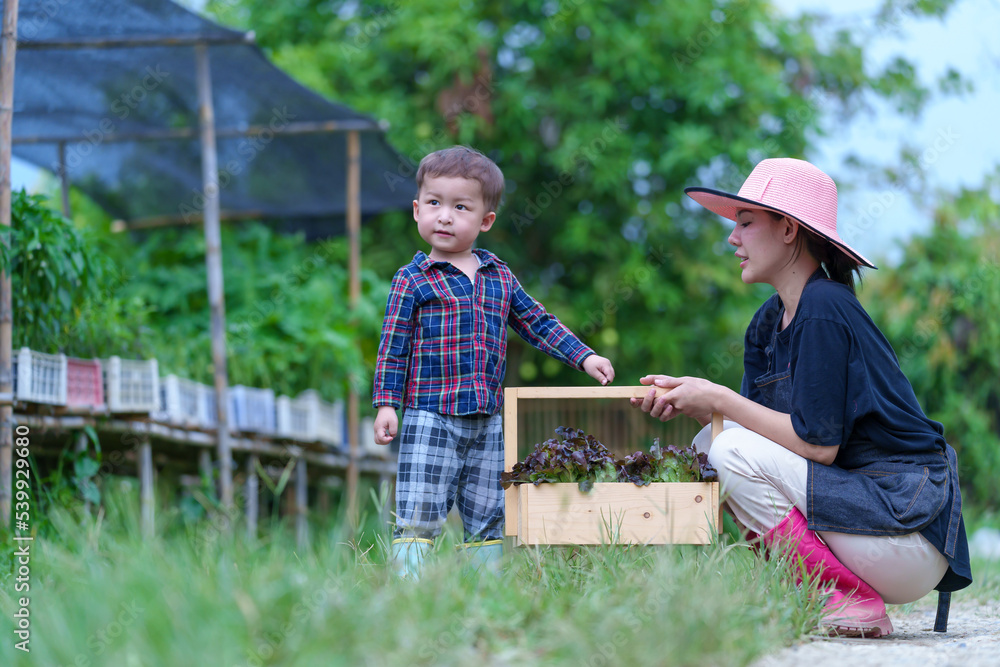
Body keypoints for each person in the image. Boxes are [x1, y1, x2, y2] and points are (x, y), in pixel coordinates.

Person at [631, 158, 971, 637]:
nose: (733, 239)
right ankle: (808, 589)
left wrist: (721, 398)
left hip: (905, 532)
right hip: (856, 518)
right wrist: (702, 402)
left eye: (745, 223)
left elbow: (818, 447)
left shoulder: (824, 308)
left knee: (724, 447)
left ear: (788, 229)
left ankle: (847, 600)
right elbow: (754, 440)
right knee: (712, 443)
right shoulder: (767, 325)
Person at [373, 145, 615, 578]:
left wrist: (585, 356)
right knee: (419, 510)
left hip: (487, 423)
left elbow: (537, 321)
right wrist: (387, 404)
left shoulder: (498, 276)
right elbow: (393, 347)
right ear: (416, 210)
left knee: (487, 515)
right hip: (430, 416)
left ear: (485, 221)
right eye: (434, 203)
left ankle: (484, 593)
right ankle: (408, 592)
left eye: (460, 207)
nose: (444, 216)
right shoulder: (412, 280)